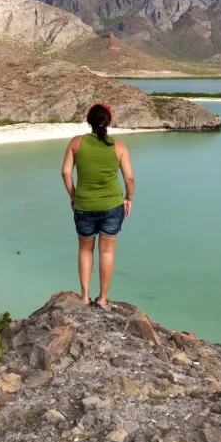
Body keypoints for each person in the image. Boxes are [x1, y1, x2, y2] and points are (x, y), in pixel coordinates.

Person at [61, 103, 134, 306]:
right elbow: (129, 178)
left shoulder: (76, 143)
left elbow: (66, 172)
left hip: (84, 205)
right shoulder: (119, 147)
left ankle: (84, 296)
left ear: (88, 121)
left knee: (85, 250)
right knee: (107, 251)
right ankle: (102, 299)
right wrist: (129, 198)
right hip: (112, 206)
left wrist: (73, 196)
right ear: (108, 122)